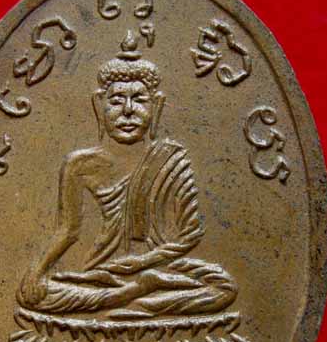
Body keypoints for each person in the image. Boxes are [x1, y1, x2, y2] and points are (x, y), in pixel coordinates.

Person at [18, 55, 237, 318]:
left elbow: (189, 234)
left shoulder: (171, 157)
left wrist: (143, 262)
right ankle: (135, 295)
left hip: (160, 265)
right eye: (116, 101)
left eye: (140, 100)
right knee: (33, 295)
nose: (128, 110)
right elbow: (68, 230)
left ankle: (134, 295)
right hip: (106, 271)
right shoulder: (80, 164)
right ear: (99, 106)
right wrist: (37, 270)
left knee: (224, 288)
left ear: (157, 106)